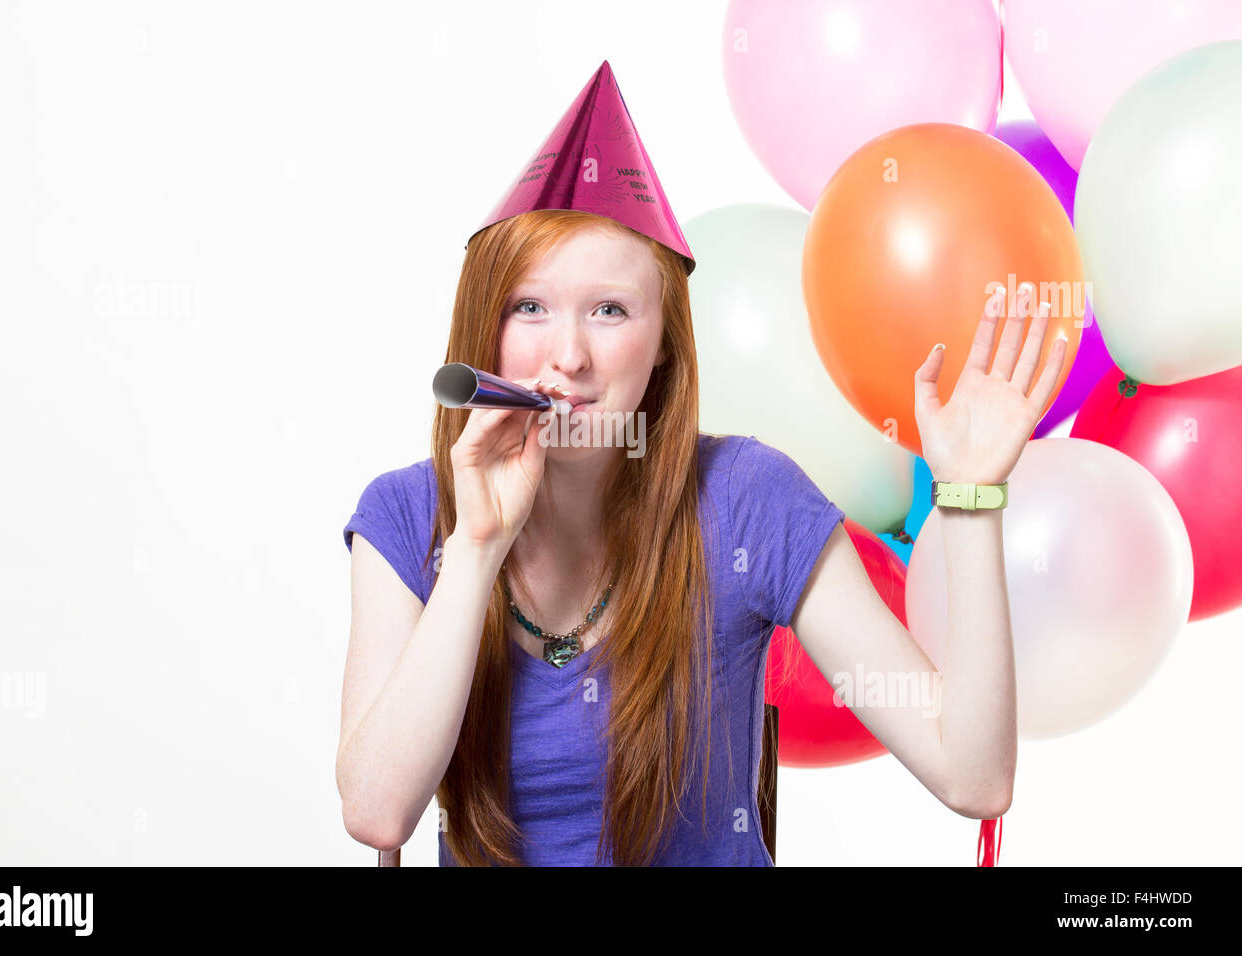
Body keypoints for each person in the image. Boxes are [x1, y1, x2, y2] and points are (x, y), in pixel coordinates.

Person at [335, 63, 1065, 866]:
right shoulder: (406, 517)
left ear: (660, 352)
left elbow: (974, 777)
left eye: (609, 311)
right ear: (486, 330)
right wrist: (477, 547)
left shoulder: (747, 499)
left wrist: (968, 498)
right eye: (529, 308)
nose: (568, 356)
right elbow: (377, 813)